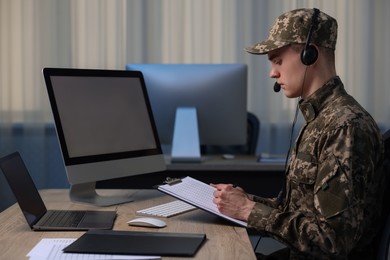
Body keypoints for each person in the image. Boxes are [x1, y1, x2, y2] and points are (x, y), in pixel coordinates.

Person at [211, 8, 385, 259]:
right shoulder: (318, 119)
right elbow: (298, 212)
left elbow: (331, 240)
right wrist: (243, 200)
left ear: (309, 54)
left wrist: (249, 210)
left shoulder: (345, 126)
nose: (272, 72)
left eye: (277, 60)